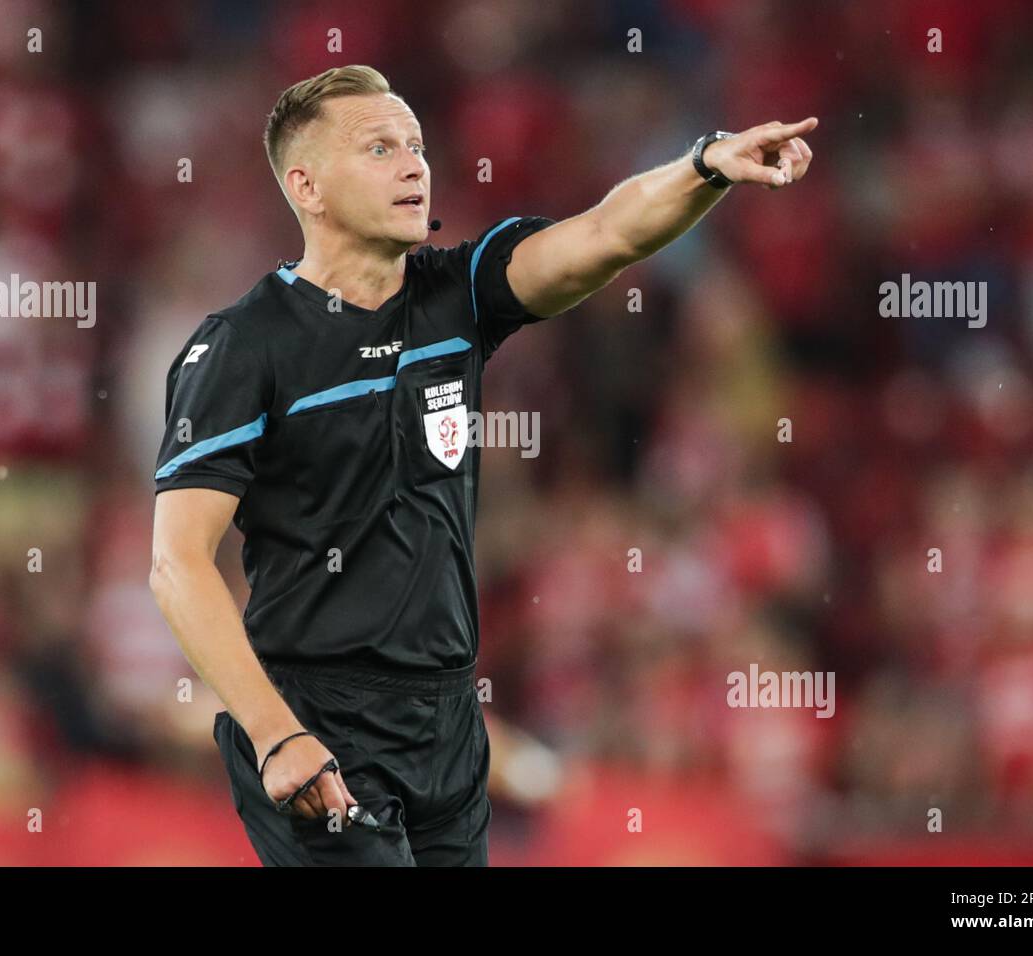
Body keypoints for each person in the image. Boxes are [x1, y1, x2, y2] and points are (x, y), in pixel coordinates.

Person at [149, 63, 815, 866]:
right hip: (315, 710)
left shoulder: (457, 294)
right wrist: (274, 732)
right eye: (379, 147)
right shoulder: (243, 347)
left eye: (417, 146)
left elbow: (606, 233)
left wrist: (705, 165)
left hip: (449, 720)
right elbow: (177, 564)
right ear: (308, 187)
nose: (412, 165)